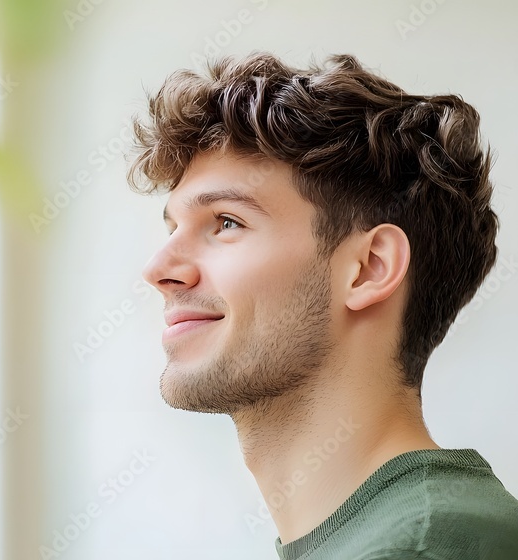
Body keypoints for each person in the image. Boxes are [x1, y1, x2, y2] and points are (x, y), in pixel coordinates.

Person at [130, 52, 518, 559]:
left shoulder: (430, 547)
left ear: (369, 268)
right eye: (172, 229)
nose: (158, 269)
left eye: (226, 222)